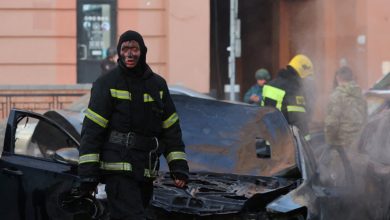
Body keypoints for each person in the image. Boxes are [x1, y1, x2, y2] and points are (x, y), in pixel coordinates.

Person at [78, 30, 189, 220]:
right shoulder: (107, 83)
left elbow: (171, 130)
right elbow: (92, 131)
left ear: (143, 51)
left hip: (145, 171)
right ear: (119, 53)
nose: (130, 54)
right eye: (125, 49)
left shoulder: (157, 85)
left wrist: (178, 167)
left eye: (134, 49)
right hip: (117, 169)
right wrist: (88, 174)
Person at [261, 54, 314, 140]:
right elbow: (298, 120)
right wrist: (307, 144)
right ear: (302, 73)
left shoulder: (270, 85)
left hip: (268, 140)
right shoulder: (293, 90)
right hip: (285, 143)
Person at [324, 66, 367, 148]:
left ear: (337, 77)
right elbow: (366, 119)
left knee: (338, 161)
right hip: (359, 144)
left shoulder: (337, 96)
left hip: (342, 146)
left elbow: (331, 124)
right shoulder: (361, 95)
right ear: (351, 78)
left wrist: (329, 142)